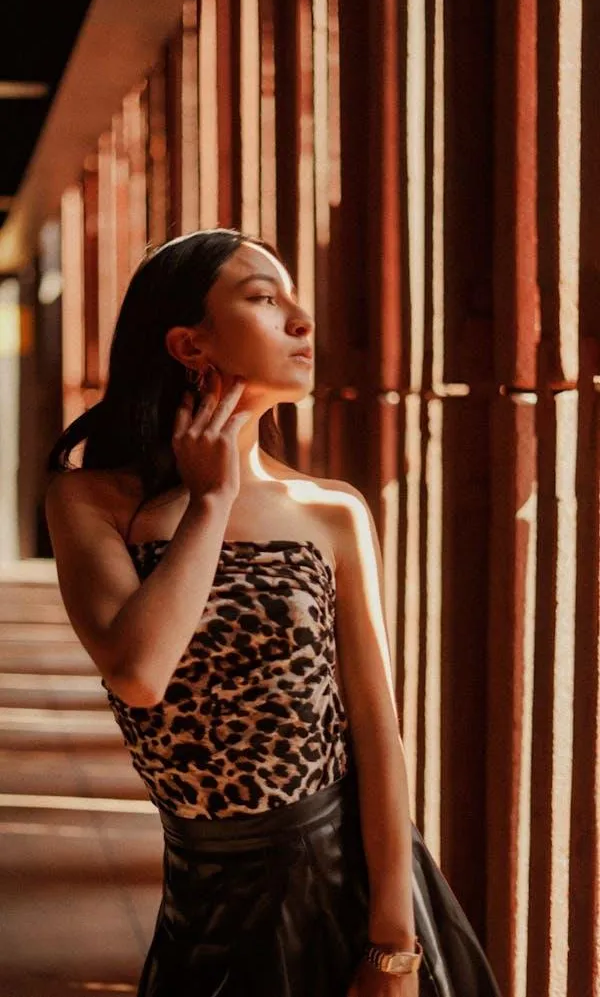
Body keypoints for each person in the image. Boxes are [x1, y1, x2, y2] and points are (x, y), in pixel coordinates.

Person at [44, 228, 502, 997]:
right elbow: (138, 671)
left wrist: (394, 945)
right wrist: (210, 503)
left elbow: (376, 729)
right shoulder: (90, 499)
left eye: (294, 297)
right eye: (263, 298)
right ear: (190, 344)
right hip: (203, 897)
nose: (303, 320)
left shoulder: (330, 511)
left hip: (345, 886)